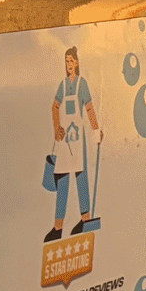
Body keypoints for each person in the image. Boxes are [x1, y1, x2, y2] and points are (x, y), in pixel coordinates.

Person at [46, 46, 102, 241]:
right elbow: (54, 107)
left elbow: (89, 109)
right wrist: (56, 128)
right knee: (62, 180)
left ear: (77, 63)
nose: (68, 65)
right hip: (64, 141)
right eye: (66, 61)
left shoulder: (81, 84)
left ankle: (85, 219)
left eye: (71, 61)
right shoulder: (62, 85)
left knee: (81, 179)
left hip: (78, 141)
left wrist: (96, 130)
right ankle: (57, 227)